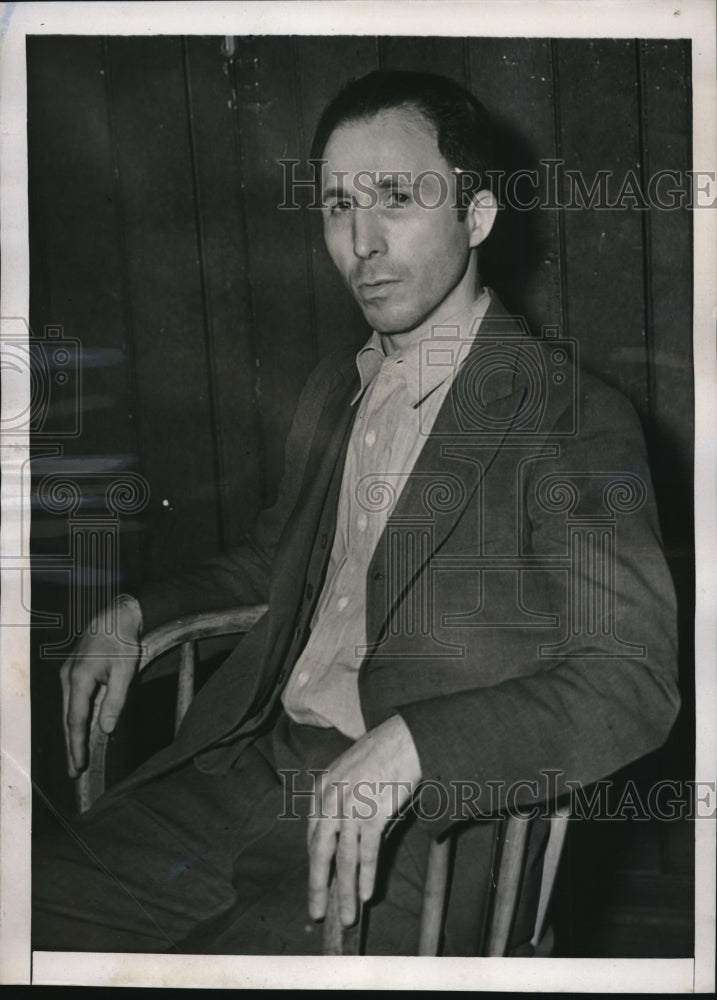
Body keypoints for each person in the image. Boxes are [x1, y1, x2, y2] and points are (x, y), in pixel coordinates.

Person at [33, 70, 679, 956]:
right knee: (29, 906)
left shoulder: (567, 413)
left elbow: (631, 679)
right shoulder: (336, 389)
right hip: (248, 765)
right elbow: (277, 566)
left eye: (396, 198)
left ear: (477, 216)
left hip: (421, 830)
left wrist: (419, 747)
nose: (361, 242)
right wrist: (138, 611)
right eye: (338, 205)